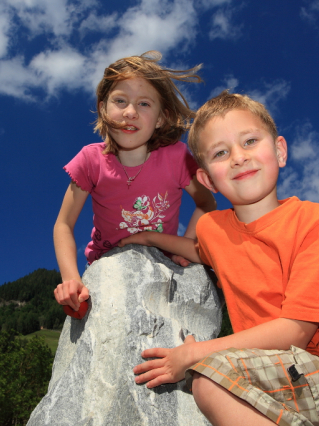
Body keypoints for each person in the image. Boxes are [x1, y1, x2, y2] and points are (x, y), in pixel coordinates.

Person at [119, 92, 319, 425]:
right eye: (220, 152)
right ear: (206, 180)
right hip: (287, 380)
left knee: (211, 380)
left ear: (279, 151)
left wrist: (194, 354)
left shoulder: (317, 222)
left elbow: (296, 331)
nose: (238, 158)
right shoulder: (213, 229)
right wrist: (146, 237)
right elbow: (197, 251)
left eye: (249, 141)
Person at [53, 51, 216, 317]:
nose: (130, 112)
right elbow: (63, 224)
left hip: (162, 258)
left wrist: (184, 247)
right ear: (103, 107)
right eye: (120, 101)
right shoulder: (90, 161)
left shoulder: (176, 158)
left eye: (144, 104)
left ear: (161, 118)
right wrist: (71, 278)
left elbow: (207, 203)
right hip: (106, 263)